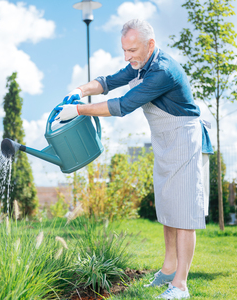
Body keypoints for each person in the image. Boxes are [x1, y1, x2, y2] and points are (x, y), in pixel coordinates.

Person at [56, 19, 213, 299]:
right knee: (167, 208)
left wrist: (79, 110)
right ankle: (168, 269)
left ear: (150, 44)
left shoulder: (162, 71)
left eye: (132, 50)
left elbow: (123, 104)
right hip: (165, 142)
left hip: (184, 140)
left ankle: (180, 285)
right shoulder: (142, 63)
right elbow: (108, 82)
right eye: (124, 51)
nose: (127, 57)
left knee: (184, 214)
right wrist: (80, 90)